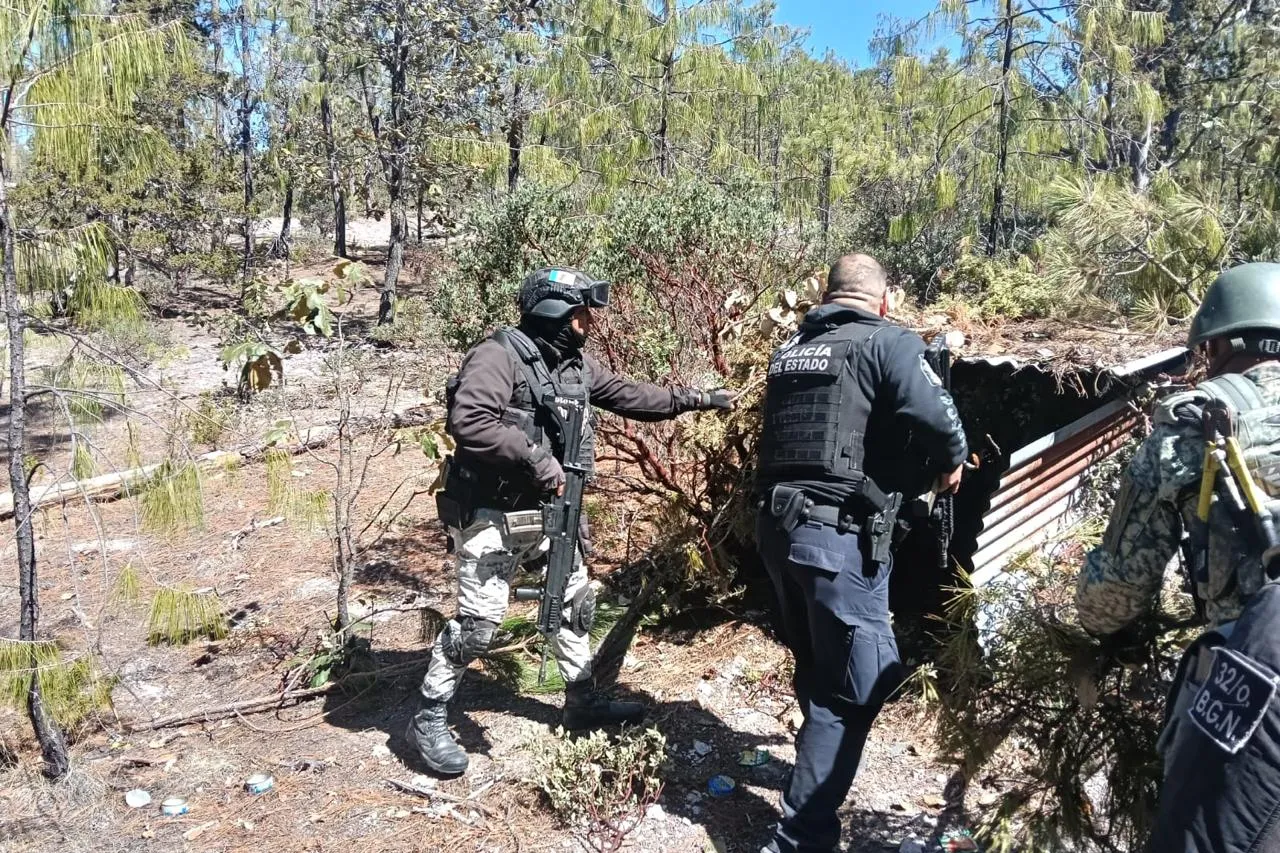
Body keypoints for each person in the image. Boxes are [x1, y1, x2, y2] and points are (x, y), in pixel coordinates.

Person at [406, 266, 734, 776]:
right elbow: (470, 421)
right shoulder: (497, 356)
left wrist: (696, 399)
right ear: (554, 311)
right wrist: (536, 458)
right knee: (478, 627)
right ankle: (428, 717)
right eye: (582, 313)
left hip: (550, 515)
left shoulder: (573, 365)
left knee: (574, 605)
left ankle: (582, 704)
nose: (589, 323)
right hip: (492, 514)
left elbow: (629, 395)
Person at [755, 254, 967, 853]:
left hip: (778, 533)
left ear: (826, 296)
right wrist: (952, 461)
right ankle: (800, 837)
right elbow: (937, 419)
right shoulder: (888, 342)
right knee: (860, 682)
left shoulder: (791, 350)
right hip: (835, 540)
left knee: (818, 662)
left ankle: (811, 782)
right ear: (885, 299)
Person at [1075, 262, 1280, 852]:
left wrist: (1096, 626)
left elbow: (1111, 600)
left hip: (1256, 684)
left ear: (1217, 345)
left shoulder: (1189, 427)